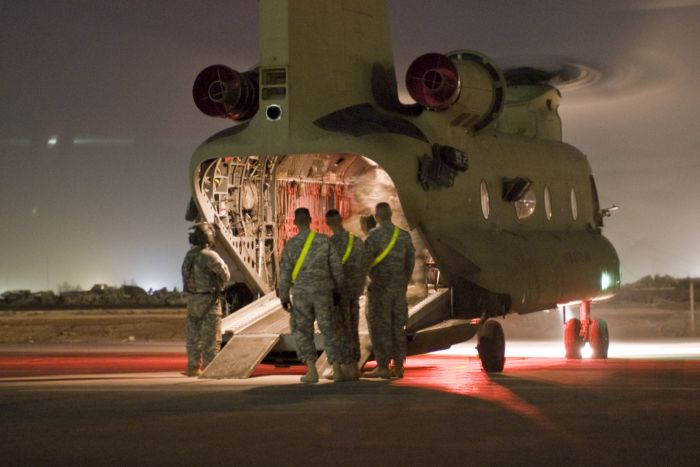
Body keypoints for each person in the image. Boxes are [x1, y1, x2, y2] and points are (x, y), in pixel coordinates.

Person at [278, 208, 344, 383]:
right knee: (329, 329)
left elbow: (284, 273)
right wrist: (338, 289)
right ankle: (337, 370)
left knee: (303, 331)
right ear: (310, 220)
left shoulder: (290, 245)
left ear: (295, 223)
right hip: (323, 292)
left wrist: (284, 296)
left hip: (301, 294)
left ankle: (312, 371)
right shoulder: (324, 241)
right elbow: (336, 268)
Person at [362, 202, 415, 379]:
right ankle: (399, 366)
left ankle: (383, 366)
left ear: (377, 217)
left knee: (379, 327)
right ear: (391, 215)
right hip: (398, 290)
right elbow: (410, 263)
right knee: (398, 327)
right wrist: (403, 282)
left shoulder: (373, 236)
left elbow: (365, 262)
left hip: (379, 290)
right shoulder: (404, 236)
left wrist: (371, 279)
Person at [181, 222, 230, 377]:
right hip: (209, 301)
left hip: (193, 300)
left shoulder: (189, 256)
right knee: (211, 338)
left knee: (193, 337)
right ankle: (211, 369)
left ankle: (193, 367)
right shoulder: (210, 255)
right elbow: (226, 275)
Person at [325, 209, 365, 381]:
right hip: (353, 293)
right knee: (352, 329)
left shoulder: (329, 244)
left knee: (336, 331)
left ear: (328, 224)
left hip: (336, 294)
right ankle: (354, 368)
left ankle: (338, 370)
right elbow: (363, 266)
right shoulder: (356, 242)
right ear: (341, 220)